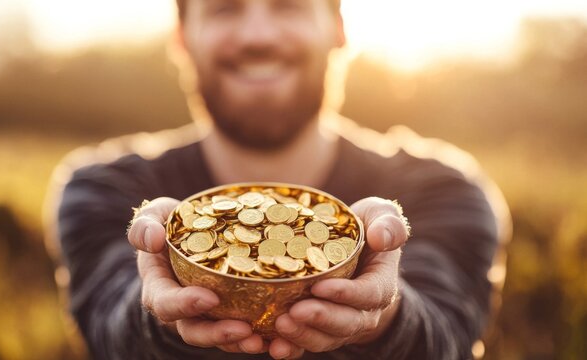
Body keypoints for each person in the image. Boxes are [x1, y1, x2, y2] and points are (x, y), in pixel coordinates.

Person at [45, 0, 511, 359]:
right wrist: (162, 312)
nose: (258, 35)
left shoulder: (447, 192)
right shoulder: (98, 190)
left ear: (339, 27)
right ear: (183, 38)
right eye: (226, 7)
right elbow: (109, 336)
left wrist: (385, 313)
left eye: (288, 3)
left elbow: (447, 340)